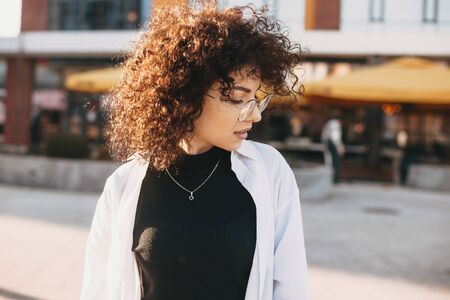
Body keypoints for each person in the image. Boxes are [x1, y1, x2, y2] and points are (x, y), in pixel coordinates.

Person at [80, 3, 308, 300]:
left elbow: (291, 287)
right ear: (186, 95)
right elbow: (98, 291)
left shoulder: (270, 171)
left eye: (257, 100)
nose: (255, 116)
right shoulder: (124, 185)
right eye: (239, 99)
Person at [321, 117, 345, 183]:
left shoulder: (329, 123)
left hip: (329, 144)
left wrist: (324, 144)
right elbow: (335, 137)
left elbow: (324, 135)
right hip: (333, 145)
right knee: (335, 163)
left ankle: (331, 179)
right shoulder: (335, 124)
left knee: (329, 162)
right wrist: (339, 147)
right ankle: (335, 179)